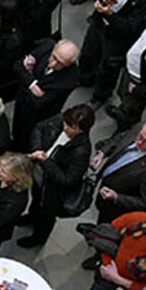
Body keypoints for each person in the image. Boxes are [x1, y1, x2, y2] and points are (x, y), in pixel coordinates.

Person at [19, 104, 94, 248]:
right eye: (66, 123)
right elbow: (39, 128)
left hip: (54, 191)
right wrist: (37, 149)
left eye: (72, 127)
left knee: (47, 216)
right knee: (36, 199)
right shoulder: (63, 118)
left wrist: (45, 161)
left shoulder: (82, 151)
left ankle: (38, 238)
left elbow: (68, 180)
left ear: (82, 129)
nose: (66, 128)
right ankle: (32, 216)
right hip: (39, 176)